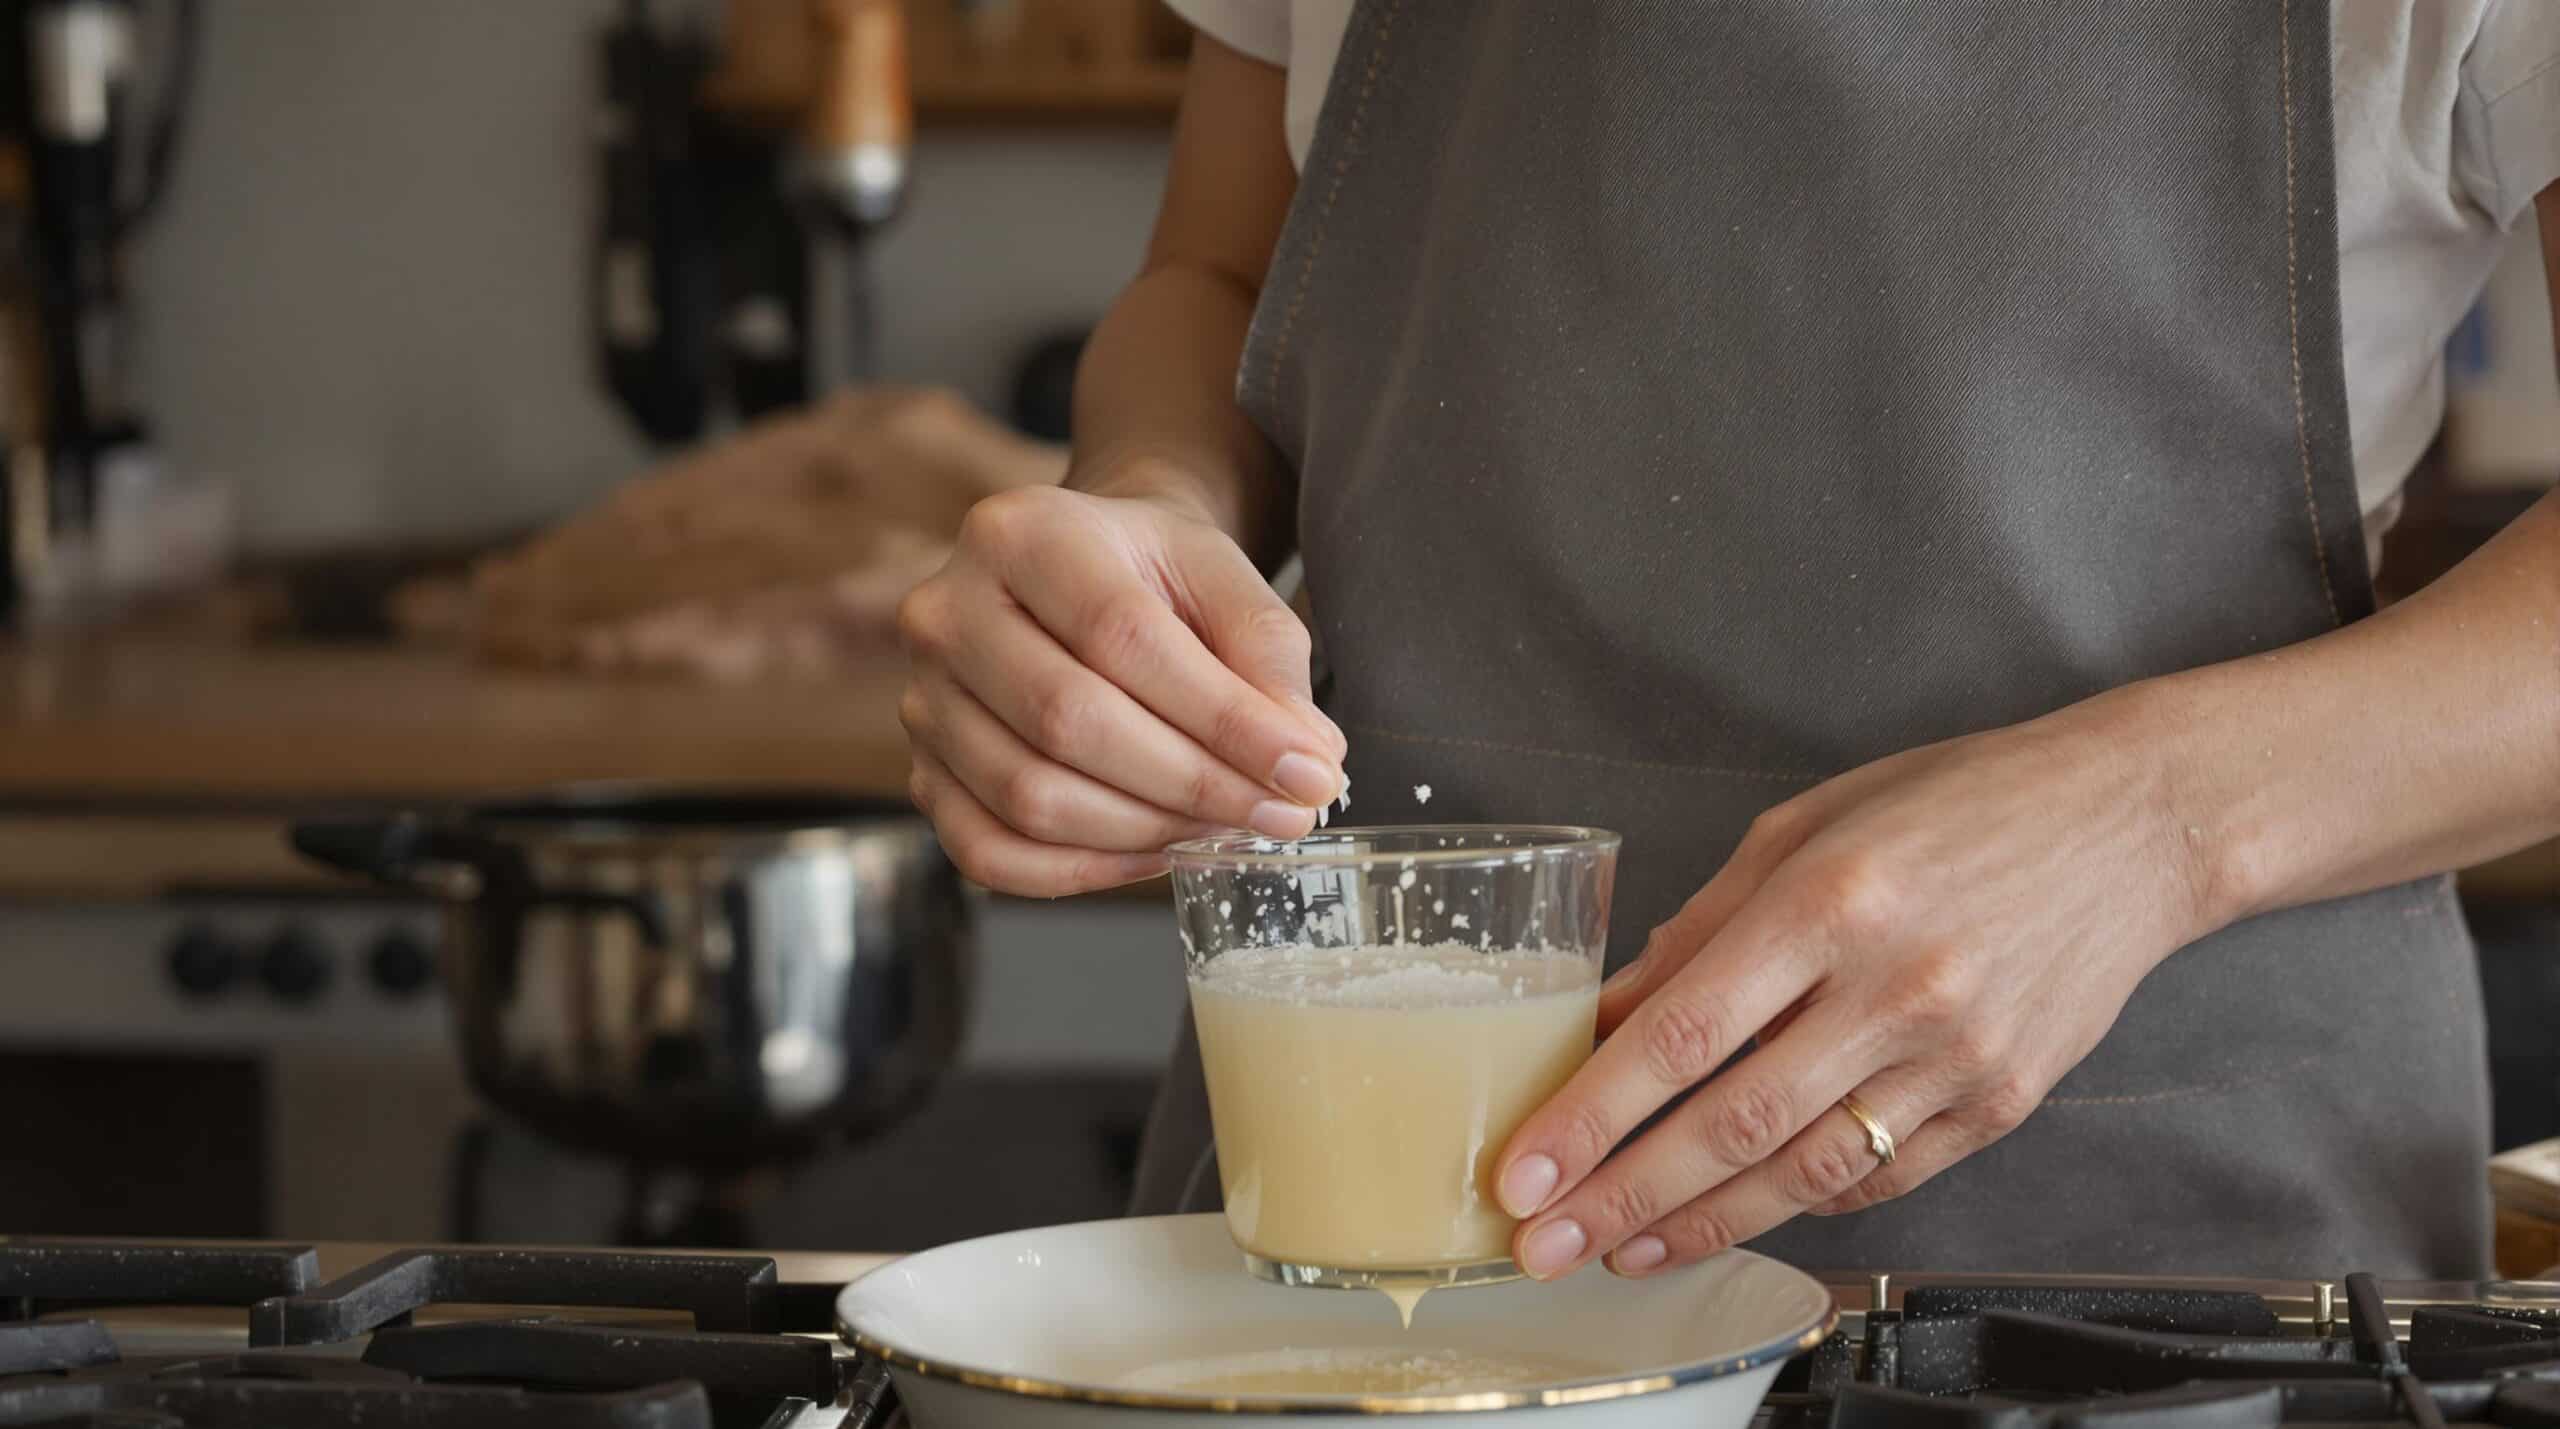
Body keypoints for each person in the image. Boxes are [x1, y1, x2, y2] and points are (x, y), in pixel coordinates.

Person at [896, 0, 2560, 1279]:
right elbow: (1215, 268)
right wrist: (1146, 511)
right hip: (1361, 1226)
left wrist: (2154, 823)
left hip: (2169, 1255)